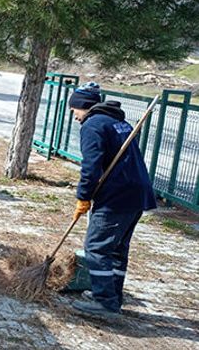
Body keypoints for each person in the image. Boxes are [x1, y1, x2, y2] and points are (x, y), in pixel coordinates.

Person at [67, 82, 157, 318]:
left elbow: (91, 168)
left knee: (97, 248)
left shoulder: (93, 125)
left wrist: (83, 197)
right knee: (116, 251)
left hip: (116, 197)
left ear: (83, 107)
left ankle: (105, 303)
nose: (74, 117)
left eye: (74, 111)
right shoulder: (118, 122)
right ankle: (112, 296)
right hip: (136, 194)